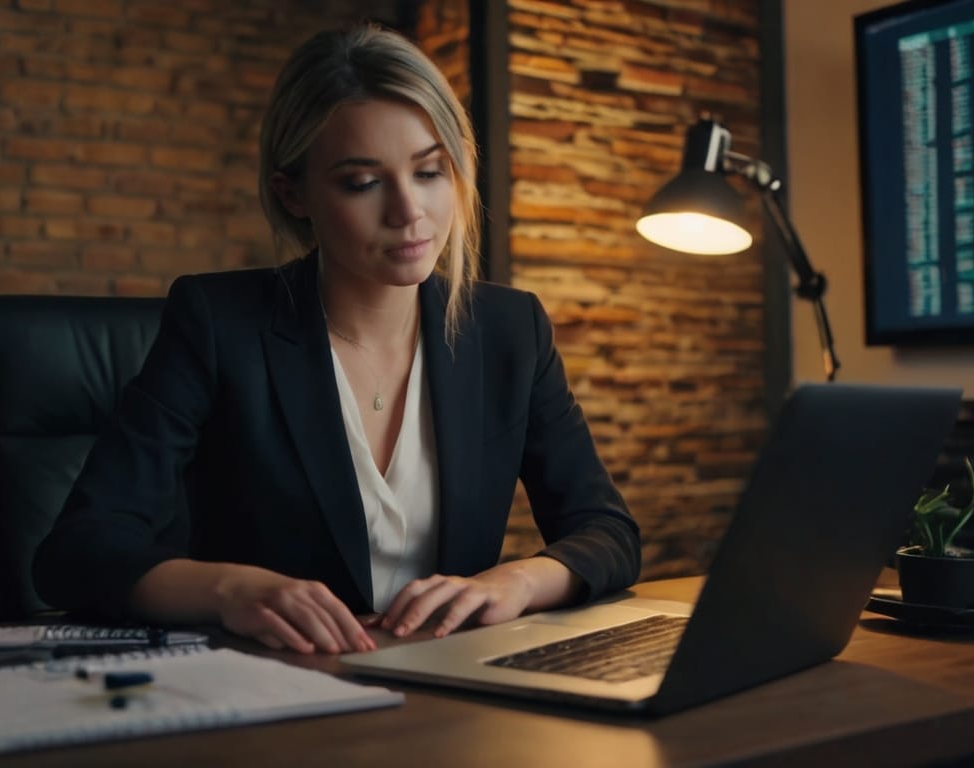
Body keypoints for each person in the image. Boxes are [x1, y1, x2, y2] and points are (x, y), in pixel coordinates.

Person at [32, 24, 641, 655]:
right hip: (276, 698)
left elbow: (606, 531)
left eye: (430, 171)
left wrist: (517, 581)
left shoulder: (511, 330)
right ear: (292, 194)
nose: (409, 211)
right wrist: (228, 590)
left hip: (455, 695)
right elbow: (78, 549)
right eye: (362, 182)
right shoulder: (219, 323)